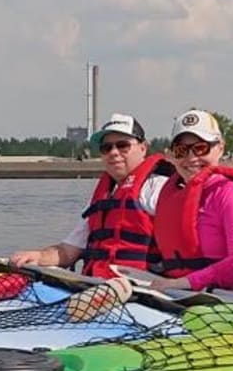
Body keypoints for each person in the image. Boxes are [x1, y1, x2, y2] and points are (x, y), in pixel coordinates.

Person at [9, 114, 167, 277]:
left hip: (142, 289)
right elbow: (67, 251)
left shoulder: (158, 188)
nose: (113, 152)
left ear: (143, 148)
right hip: (97, 283)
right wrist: (38, 256)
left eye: (122, 145)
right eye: (106, 148)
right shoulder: (102, 197)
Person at [141, 110, 233, 292]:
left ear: (220, 148)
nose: (191, 158)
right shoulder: (170, 194)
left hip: (225, 298)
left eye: (201, 148)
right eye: (181, 150)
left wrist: (186, 283)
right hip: (177, 294)